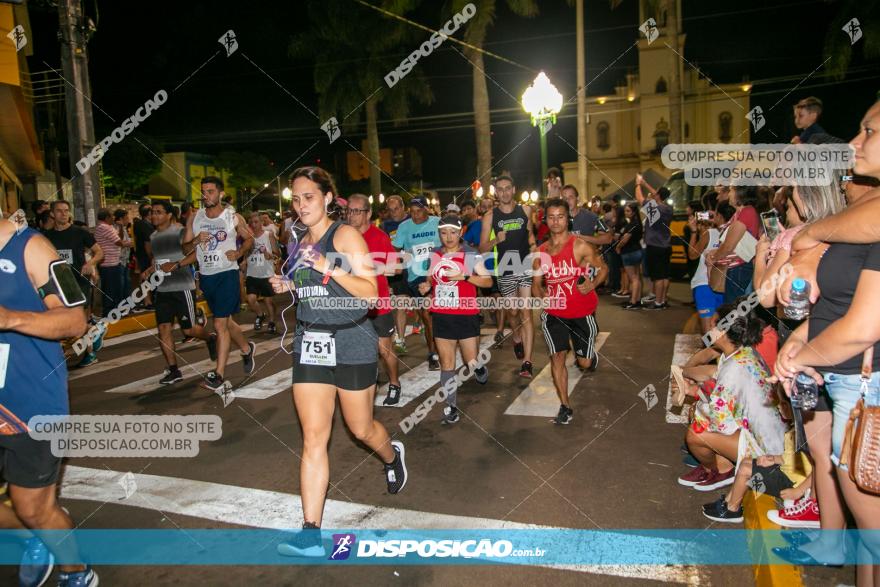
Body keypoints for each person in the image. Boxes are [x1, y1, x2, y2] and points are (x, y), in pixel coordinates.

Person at [271, 166, 406, 557]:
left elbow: (368, 294)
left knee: (360, 428)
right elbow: (312, 285)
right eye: (295, 199)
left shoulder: (344, 235)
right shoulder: (298, 240)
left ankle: (392, 455)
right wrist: (290, 284)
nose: (301, 205)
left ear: (329, 198)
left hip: (351, 340)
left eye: (308, 196)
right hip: (310, 339)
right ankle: (310, 533)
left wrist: (328, 266)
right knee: (314, 438)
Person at [772, 101, 880, 576]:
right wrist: (800, 339)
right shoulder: (856, 219)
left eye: (868, 131)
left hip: (863, 383)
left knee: (873, 528)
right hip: (843, 379)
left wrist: (799, 356)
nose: (854, 144)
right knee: (864, 524)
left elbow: (862, 326)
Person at [0, 214, 99, 587]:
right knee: (29, 517)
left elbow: (75, 321)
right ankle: (33, 540)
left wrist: (10, 319)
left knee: (33, 507)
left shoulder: (30, 247)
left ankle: (77, 572)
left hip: (30, 402)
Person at [679, 301, 787, 505]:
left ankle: (718, 471)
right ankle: (723, 465)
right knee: (698, 411)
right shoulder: (743, 353)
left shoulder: (733, 368)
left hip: (766, 450)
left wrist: (692, 393)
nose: (709, 328)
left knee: (695, 433)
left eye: (713, 324)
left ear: (723, 331)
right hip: (766, 434)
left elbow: (719, 422)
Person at [533, 198, 607, 425]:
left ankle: (587, 357)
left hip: (581, 312)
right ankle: (565, 405)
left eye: (561, 216)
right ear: (546, 219)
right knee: (557, 357)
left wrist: (592, 284)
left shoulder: (580, 246)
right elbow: (536, 283)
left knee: (584, 363)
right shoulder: (541, 251)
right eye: (551, 217)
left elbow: (603, 268)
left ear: (568, 219)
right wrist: (541, 296)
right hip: (555, 314)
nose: (556, 221)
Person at [183, 176, 257, 393]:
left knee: (219, 325)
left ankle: (219, 374)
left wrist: (239, 252)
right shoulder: (195, 218)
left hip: (227, 273)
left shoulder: (232, 216)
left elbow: (249, 238)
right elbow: (185, 248)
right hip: (207, 276)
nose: (206, 195)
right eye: (204, 191)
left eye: (211, 191)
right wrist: (195, 241)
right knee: (225, 322)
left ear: (221, 194)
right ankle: (246, 348)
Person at [418, 215, 491, 424]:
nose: (448, 237)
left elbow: (487, 281)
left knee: (470, 361)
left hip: (466, 314)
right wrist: (427, 287)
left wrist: (464, 276)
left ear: (460, 232)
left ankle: (478, 368)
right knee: (447, 364)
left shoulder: (470, 254)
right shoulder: (435, 254)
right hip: (442, 314)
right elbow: (431, 279)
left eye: (452, 232)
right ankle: (451, 407)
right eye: (443, 233)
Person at [141, 200, 217, 384]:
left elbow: (195, 254)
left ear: (169, 215)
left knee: (189, 329)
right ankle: (174, 370)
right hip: (163, 289)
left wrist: (176, 265)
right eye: (152, 212)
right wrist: (150, 270)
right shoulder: (153, 237)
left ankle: (210, 338)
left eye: (158, 211)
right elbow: (157, 260)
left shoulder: (180, 231)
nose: (154, 215)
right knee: (163, 329)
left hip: (182, 287)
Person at [347, 193, 403, 406]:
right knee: (355, 348)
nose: (351, 215)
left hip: (378, 303)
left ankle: (395, 383)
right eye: (349, 211)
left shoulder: (379, 236)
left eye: (356, 211)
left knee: (384, 349)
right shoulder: (343, 236)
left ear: (368, 213)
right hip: (352, 304)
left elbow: (396, 267)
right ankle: (364, 385)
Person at [480, 175, 536, 378]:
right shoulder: (490, 216)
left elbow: (530, 234)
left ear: (514, 190)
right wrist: (496, 240)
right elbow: (482, 247)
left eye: (507, 188)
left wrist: (534, 247)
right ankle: (517, 337)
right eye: (500, 189)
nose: (504, 192)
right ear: (496, 192)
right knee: (512, 312)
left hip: (525, 265)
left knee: (526, 314)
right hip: (505, 268)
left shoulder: (526, 210)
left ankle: (527, 363)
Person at [44, 200, 105, 367]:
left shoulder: (79, 232)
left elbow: (99, 252)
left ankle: (90, 353)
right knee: (61, 319)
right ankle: (95, 332)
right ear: (52, 214)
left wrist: (90, 263)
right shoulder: (46, 236)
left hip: (79, 282)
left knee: (79, 320)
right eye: (59, 211)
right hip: (58, 283)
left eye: (66, 210)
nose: (63, 214)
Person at [392, 197, 441, 370]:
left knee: (439, 315)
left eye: (419, 210)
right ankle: (432, 353)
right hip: (416, 277)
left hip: (440, 273)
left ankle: (442, 344)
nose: (415, 215)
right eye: (412, 211)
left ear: (427, 209)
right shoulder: (404, 227)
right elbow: (395, 249)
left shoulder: (438, 223)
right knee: (427, 315)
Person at [635, 176, 673, 309]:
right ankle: (662, 301)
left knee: (657, 277)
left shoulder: (655, 209)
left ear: (658, 195)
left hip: (655, 246)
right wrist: (645, 183)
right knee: (663, 276)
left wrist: (638, 185)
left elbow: (640, 199)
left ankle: (657, 303)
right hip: (666, 245)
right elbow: (659, 195)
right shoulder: (668, 209)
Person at [381, 194, 411, 355]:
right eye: (390, 210)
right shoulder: (386, 225)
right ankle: (400, 339)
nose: (394, 212)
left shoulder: (412, 221)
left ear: (403, 207)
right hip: (398, 270)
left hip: (415, 268)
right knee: (401, 304)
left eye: (396, 209)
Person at [688, 205, 723, 334]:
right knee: (721, 327)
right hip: (724, 285)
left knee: (708, 331)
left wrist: (693, 232)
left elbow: (692, 254)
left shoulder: (709, 234)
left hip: (704, 285)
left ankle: (710, 352)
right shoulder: (734, 232)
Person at [244, 213, 279, 334]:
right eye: (251, 223)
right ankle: (260, 315)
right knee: (251, 299)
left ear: (261, 223)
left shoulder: (268, 235)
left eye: (256, 222)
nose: (254, 225)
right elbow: (246, 253)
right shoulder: (248, 238)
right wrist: (244, 261)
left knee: (268, 301)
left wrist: (269, 255)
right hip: (252, 273)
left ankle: (272, 321)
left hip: (266, 273)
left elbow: (277, 254)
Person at [93, 208, 127, 317]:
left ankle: (115, 310)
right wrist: (130, 244)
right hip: (108, 264)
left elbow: (118, 238)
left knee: (115, 288)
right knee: (111, 290)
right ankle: (110, 312)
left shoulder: (107, 227)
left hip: (113, 263)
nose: (113, 218)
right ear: (107, 218)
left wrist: (121, 226)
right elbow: (119, 242)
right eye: (111, 216)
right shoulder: (104, 228)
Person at [615, 203, 644, 310]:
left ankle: (633, 302)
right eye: (625, 210)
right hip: (637, 250)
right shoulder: (637, 223)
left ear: (633, 212)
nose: (625, 213)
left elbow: (626, 238)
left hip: (629, 252)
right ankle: (637, 299)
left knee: (634, 278)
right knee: (637, 277)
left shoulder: (633, 224)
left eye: (628, 211)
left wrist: (618, 247)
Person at [132, 202, 155, 309]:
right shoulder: (145, 225)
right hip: (146, 255)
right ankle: (147, 301)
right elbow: (147, 243)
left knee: (146, 278)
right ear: (148, 214)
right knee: (146, 278)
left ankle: (148, 300)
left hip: (141, 254)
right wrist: (151, 257)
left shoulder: (138, 224)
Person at [113, 209, 134, 298]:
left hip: (125, 260)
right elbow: (118, 242)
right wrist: (128, 243)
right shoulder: (115, 228)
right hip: (119, 260)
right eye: (126, 218)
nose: (128, 220)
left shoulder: (124, 228)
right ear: (121, 218)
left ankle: (126, 304)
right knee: (120, 284)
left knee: (126, 283)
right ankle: (121, 304)